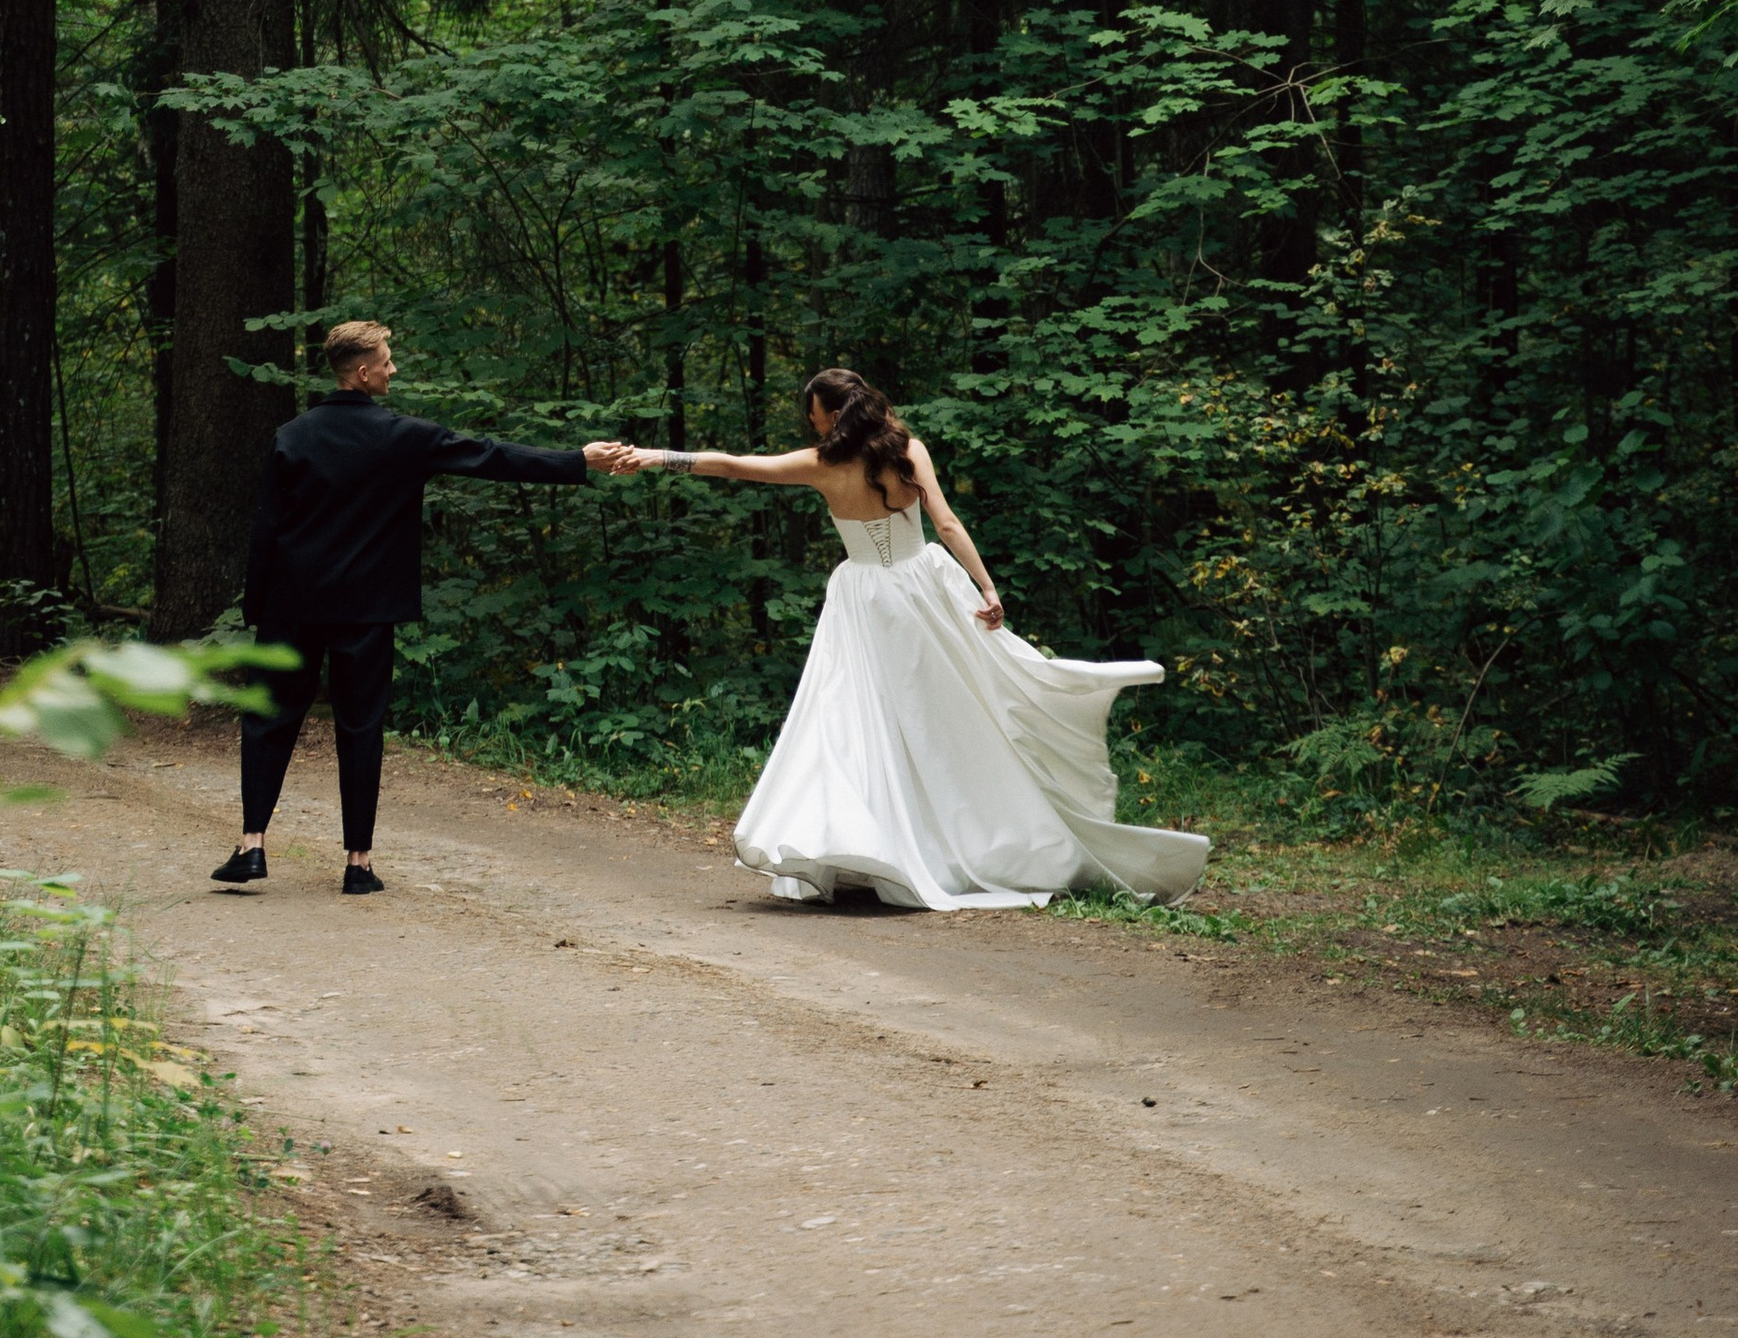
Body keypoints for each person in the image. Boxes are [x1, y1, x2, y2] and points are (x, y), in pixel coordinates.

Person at [627, 366, 1209, 912]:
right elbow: (948, 524)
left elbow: (732, 465)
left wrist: (656, 457)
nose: (812, 423)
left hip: (864, 600)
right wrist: (987, 588)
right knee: (944, 718)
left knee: (858, 721)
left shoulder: (819, 465)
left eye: (815, 414)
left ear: (832, 415)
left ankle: (876, 845)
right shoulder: (908, 451)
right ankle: (939, 840)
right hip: (925, 589)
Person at [215, 319, 639, 895]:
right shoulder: (402, 436)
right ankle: (358, 865)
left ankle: (251, 848)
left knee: (268, 720)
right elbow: (491, 457)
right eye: (387, 361)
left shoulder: (292, 435)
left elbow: (267, 528)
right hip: (366, 609)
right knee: (360, 728)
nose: (393, 369)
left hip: (292, 604)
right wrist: (576, 459)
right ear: (362, 372)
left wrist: (257, 606)